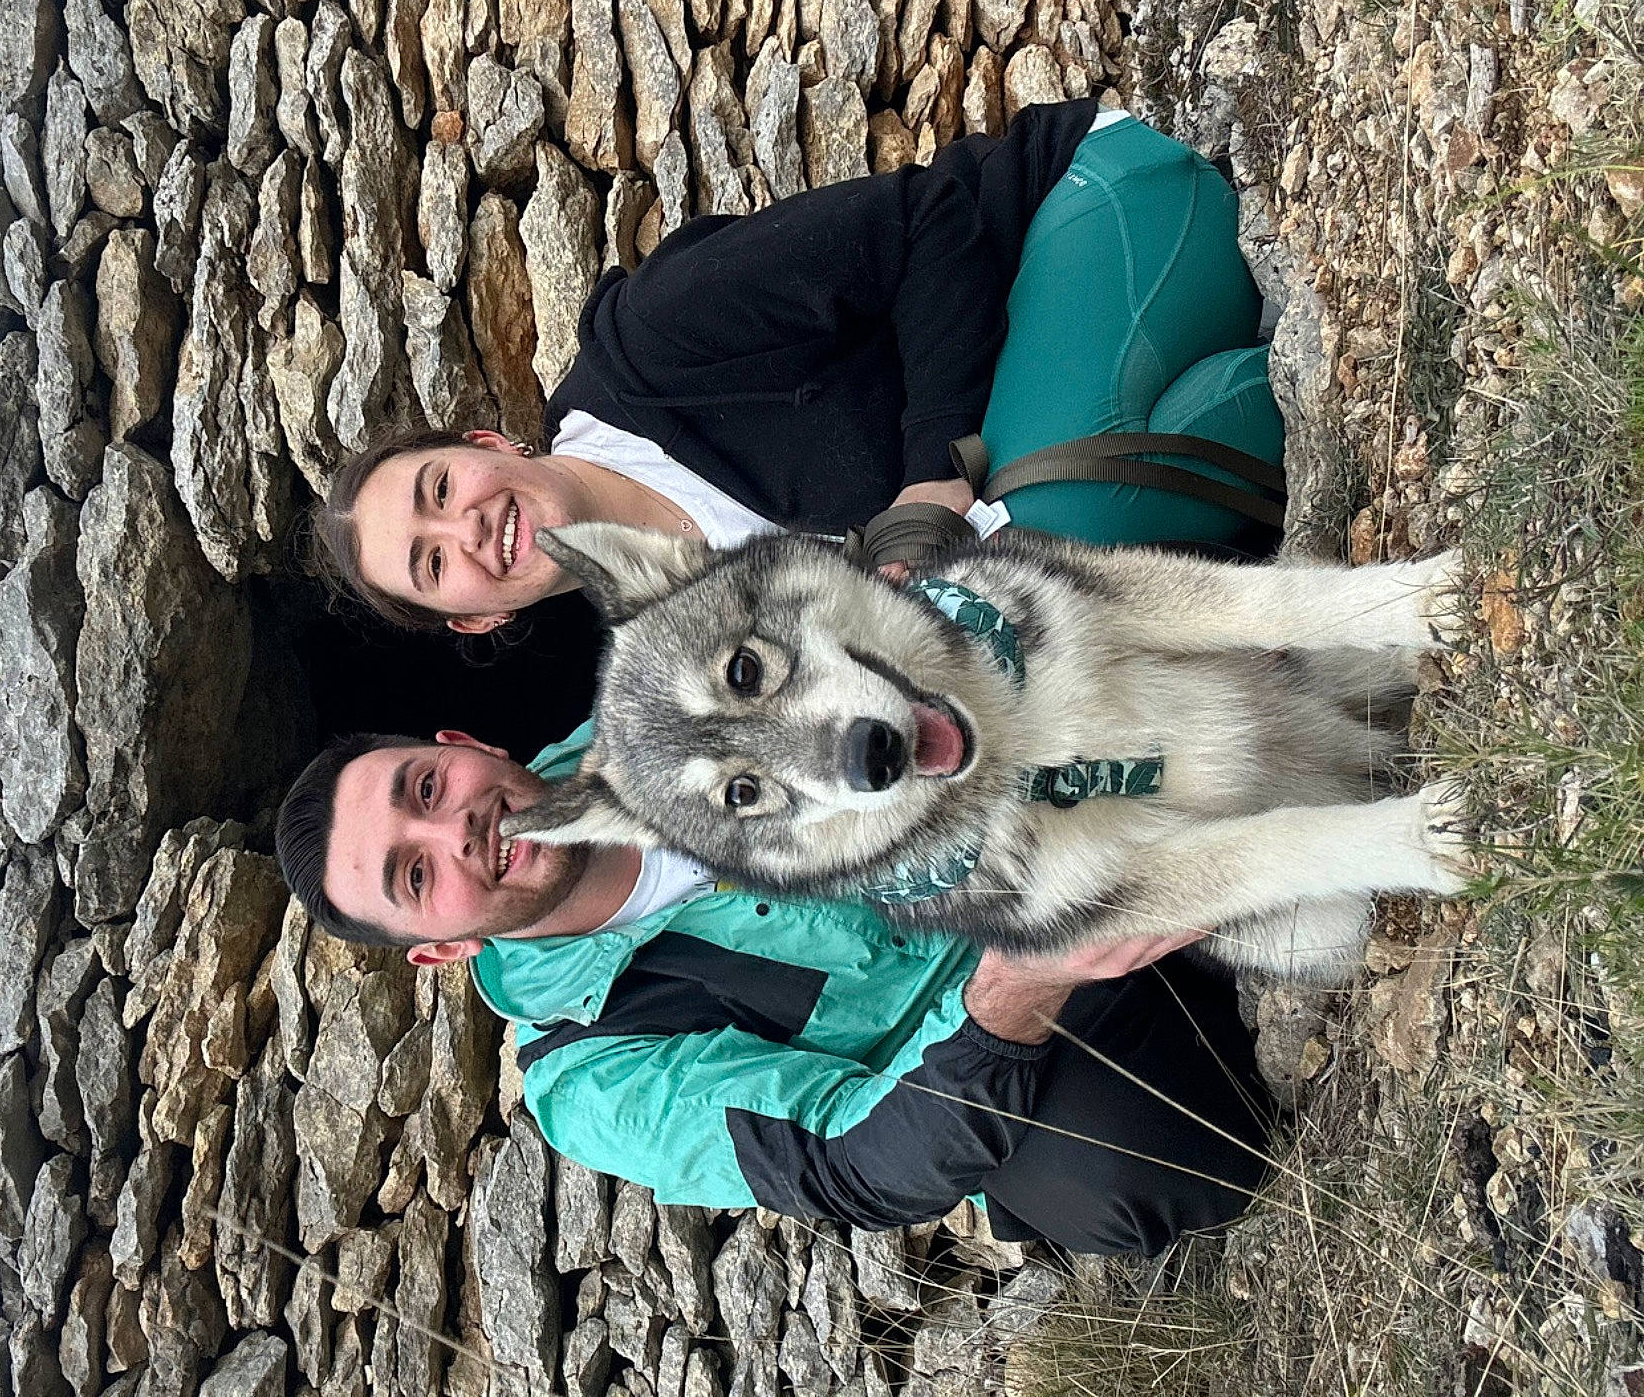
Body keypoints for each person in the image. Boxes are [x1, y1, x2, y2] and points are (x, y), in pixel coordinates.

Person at [275, 721, 1276, 1256]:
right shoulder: (589, 1079)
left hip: (1025, 827)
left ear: (460, 746)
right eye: (415, 876)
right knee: (1137, 1168)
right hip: (1016, 1027)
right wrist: (1012, 989)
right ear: (437, 951)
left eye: (422, 789)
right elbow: (848, 1162)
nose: (454, 833)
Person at [311, 97, 1278, 634]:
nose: (467, 527)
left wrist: (933, 474)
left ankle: (1305, 398)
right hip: (1060, 412)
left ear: (488, 441)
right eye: (432, 563)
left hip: (1082, 209)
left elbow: (924, 216)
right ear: (474, 620)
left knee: (1039, 540)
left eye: (439, 486)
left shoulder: (654, 343)